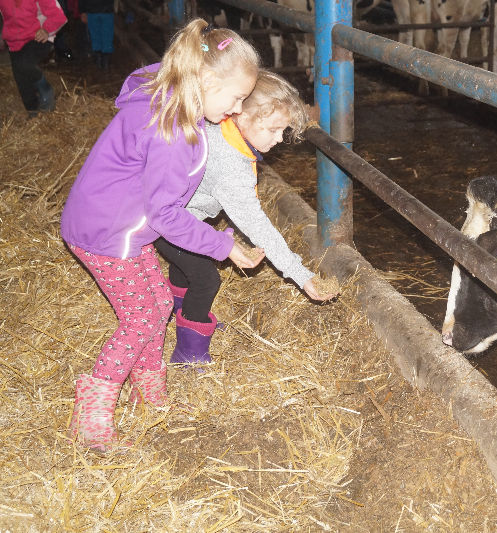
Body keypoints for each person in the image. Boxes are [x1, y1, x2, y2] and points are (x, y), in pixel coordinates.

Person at [60, 20, 262, 453]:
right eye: (236, 97)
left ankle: (149, 392)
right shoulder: (174, 132)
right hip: (109, 234)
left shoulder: (172, 94)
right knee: (141, 319)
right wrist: (223, 246)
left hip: (122, 225)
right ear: (207, 82)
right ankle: (92, 410)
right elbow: (166, 215)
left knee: (158, 305)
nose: (238, 109)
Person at [156, 69, 336, 368]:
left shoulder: (217, 125)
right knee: (206, 280)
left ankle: (183, 313)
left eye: (283, 131)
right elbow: (257, 226)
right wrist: (301, 275)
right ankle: (189, 353)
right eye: (273, 130)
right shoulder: (231, 168)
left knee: (186, 264)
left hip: (170, 214)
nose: (279, 139)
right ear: (242, 115)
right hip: (171, 222)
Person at [0, 0, 66, 117]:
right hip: (14, 40)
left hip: (38, 36)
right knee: (21, 81)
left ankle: (45, 88)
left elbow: (58, 15)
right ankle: (33, 114)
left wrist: (46, 29)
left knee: (24, 63)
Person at [78, 0, 112, 69]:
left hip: (92, 10)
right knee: (106, 35)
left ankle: (98, 59)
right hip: (106, 10)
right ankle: (105, 60)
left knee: (95, 35)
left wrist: (82, 11)